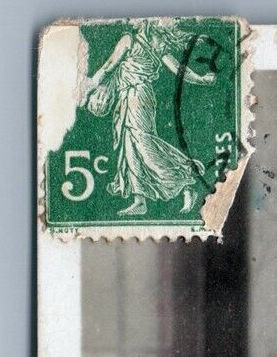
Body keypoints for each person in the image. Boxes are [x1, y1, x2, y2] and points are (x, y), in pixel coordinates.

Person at [79, 20, 214, 217]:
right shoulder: (156, 44)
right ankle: (139, 200)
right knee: (130, 146)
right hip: (130, 96)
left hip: (137, 96)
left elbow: (109, 65)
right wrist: (200, 79)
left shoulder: (131, 39)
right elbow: (179, 70)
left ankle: (186, 182)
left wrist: (90, 84)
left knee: (142, 143)